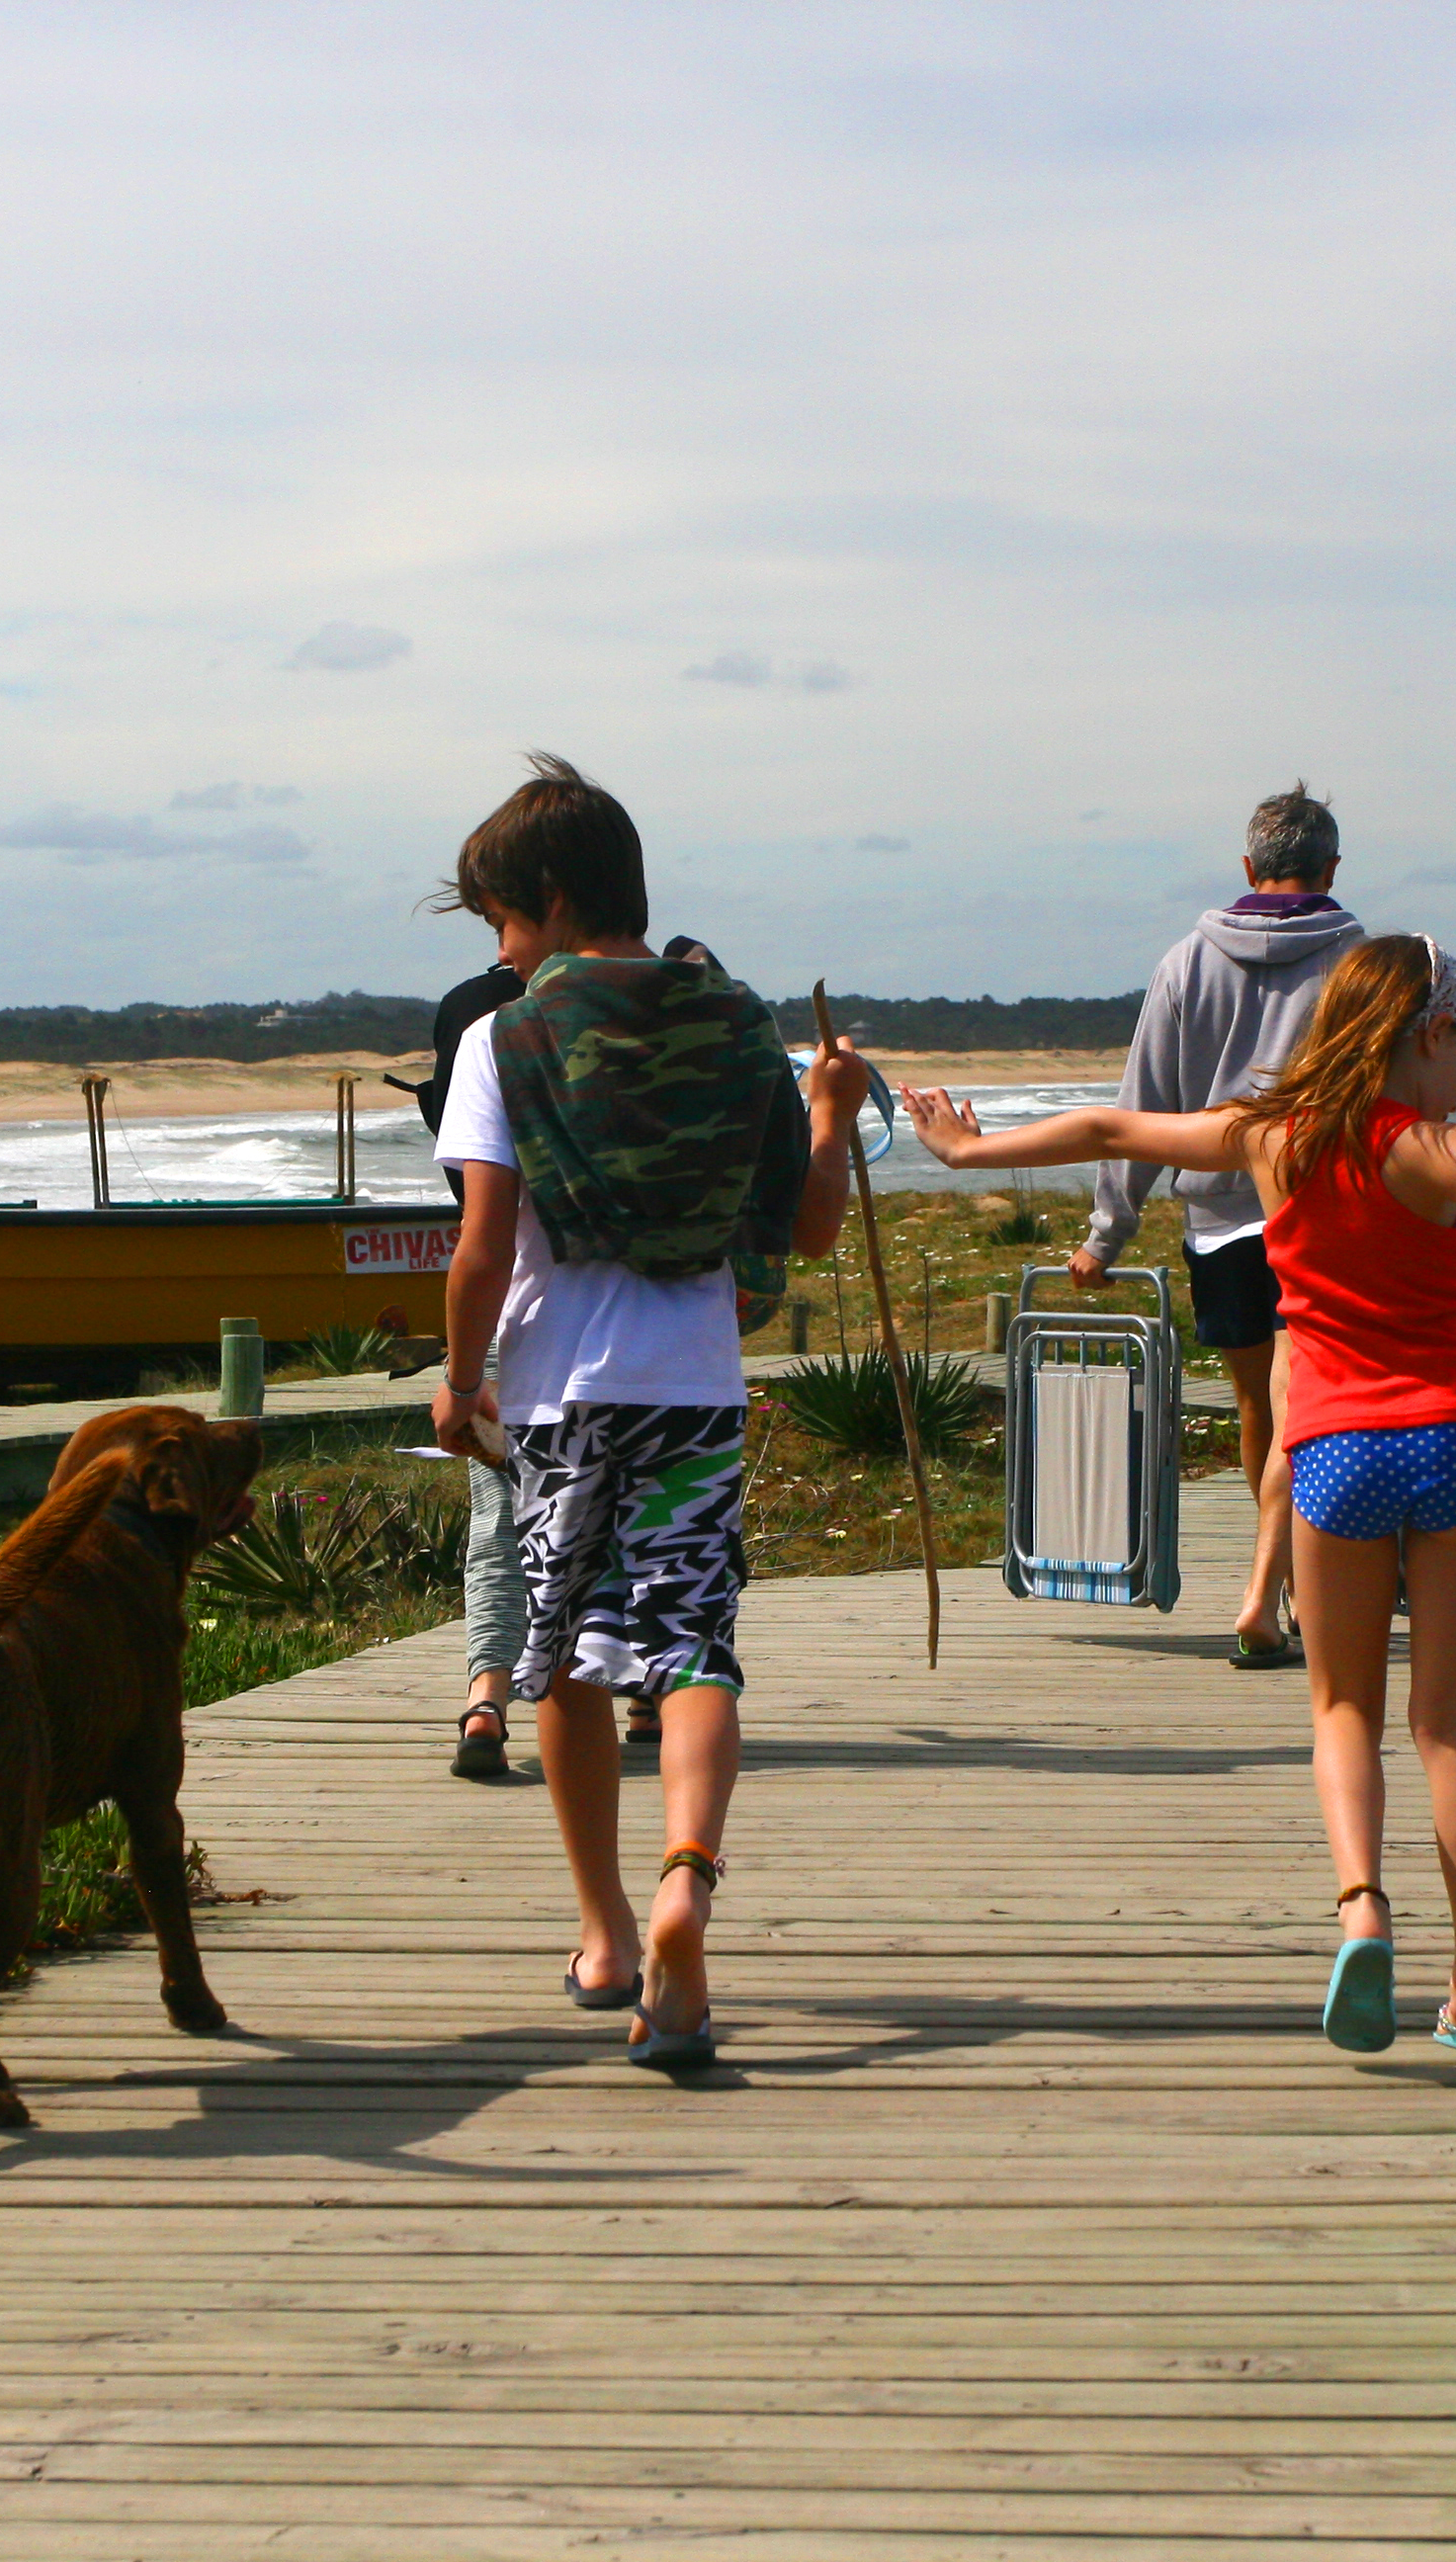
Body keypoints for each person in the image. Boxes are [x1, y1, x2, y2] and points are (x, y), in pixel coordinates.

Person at [902, 934, 1456, 2060]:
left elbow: (1115, 1130)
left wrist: (971, 1154)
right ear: (1429, 1032)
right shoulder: (1442, 1151)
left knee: (1344, 1710)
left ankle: (1362, 1907)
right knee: (1450, 1724)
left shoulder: (1273, 1136)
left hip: (1337, 1454)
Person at [430, 754, 868, 2071]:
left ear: (553, 902)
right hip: (696, 1389)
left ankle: (609, 1932)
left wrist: (460, 1384)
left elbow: (483, 1246)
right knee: (690, 1649)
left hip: (560, 1399)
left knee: (559, 1656)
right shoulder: (735, 1026)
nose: (503, 953)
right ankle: (688, 1878)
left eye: (504, 920)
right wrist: (831, 1115)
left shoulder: (499, 1039)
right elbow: (806, 1225)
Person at [1076, 784, 1364, 1670]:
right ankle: (1296, 1587)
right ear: (1332, 869)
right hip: (1322, 1217)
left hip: (1219, 1227)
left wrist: (1105, 1233)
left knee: (1258, 1410)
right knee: (1315, 1412)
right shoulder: (1362, 964)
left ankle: (1277, 1585)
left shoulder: (1184, 965)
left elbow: (1142, 1102)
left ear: (1249, 867)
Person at [405, 946, 529, 1780]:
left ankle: (487, 1695)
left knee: (499, 1518)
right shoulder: (641, 1008)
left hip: (512, 1314)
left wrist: (457, 1379)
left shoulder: (473, 1022)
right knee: (629, 1519)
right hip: (624, 1319)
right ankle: (641, 1692)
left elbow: (481, 1245)